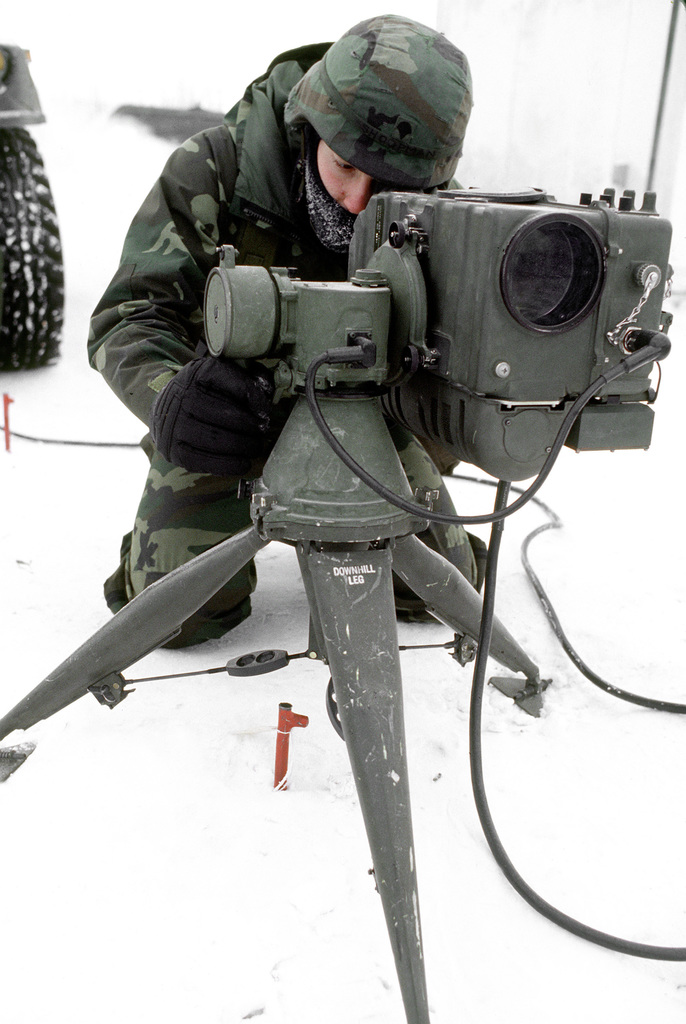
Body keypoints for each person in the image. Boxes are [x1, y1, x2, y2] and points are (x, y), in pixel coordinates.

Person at [88, 14, 483, 647]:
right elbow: (130, 315)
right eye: (346, 167)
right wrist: (173, 399)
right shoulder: (215, 168)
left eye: (389, 186)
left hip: (367, 422)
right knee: (180, 615)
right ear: (310, 126)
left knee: (436, 590)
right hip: (231, 420)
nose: (357, 201)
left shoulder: (438, 214)